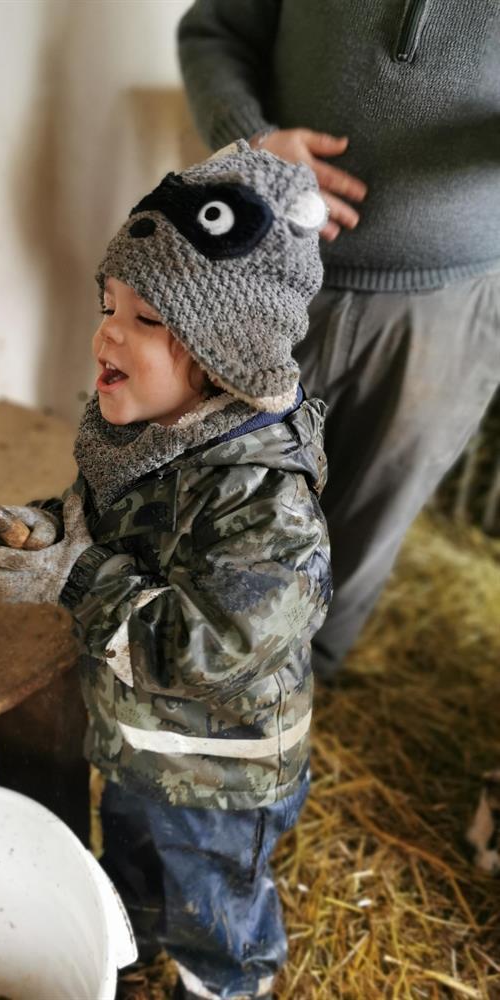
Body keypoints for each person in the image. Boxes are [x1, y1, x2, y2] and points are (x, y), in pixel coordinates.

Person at [0, 142, 332, 999]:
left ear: (224, 355)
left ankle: (222, 985)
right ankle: (125, 944)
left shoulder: (267, 507)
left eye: (147, 320)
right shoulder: (144, 437)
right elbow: (102, 519)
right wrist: (52, 527)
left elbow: (202, 652)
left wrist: (75, 575)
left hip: (221, 777)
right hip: (139, 744)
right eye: (109, 304)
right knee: (130, 859)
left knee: (214, 909)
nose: (106, 330)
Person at [178, 0, 500, 679]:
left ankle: (296, 697)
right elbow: (216, 31)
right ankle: (177, 682)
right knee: (212, 492)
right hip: (268, 265)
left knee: (364, 524)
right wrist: (249, 137)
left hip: (452, 299)